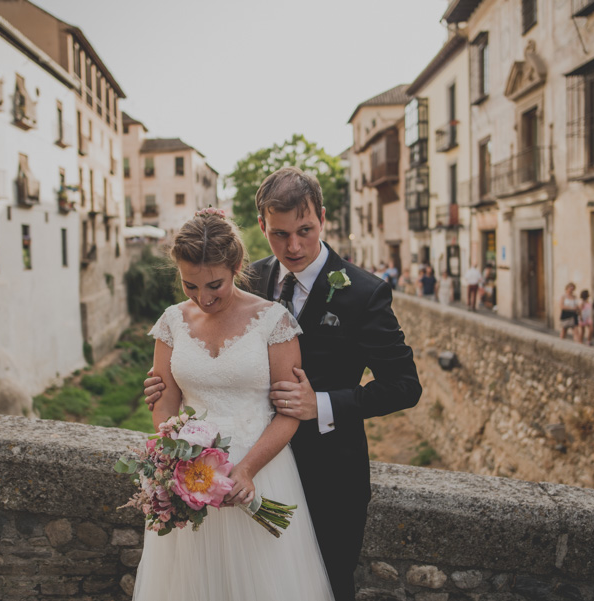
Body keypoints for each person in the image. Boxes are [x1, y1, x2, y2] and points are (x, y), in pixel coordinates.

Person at [145, 166, 422, 601]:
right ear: (261, 226)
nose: (293, 246)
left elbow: (406, 386)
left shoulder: (365, 293)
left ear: (323, 219)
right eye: (279, 234)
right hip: (234, 469)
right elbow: (203, 341)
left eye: (305, 230)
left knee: (325, 586)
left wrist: (322, 404)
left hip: (331, 472)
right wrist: (175, 384)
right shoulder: (244, 279)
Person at [133, 210, 335, 600]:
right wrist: (175, 454)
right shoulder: (172, 321)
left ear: (237, 266)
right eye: (190, 285)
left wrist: (244, 471)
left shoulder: (273, 321)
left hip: (259, 471)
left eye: (215, 285)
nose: (203, 298)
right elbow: (165, 401)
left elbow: (289, 410)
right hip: (189, 476)